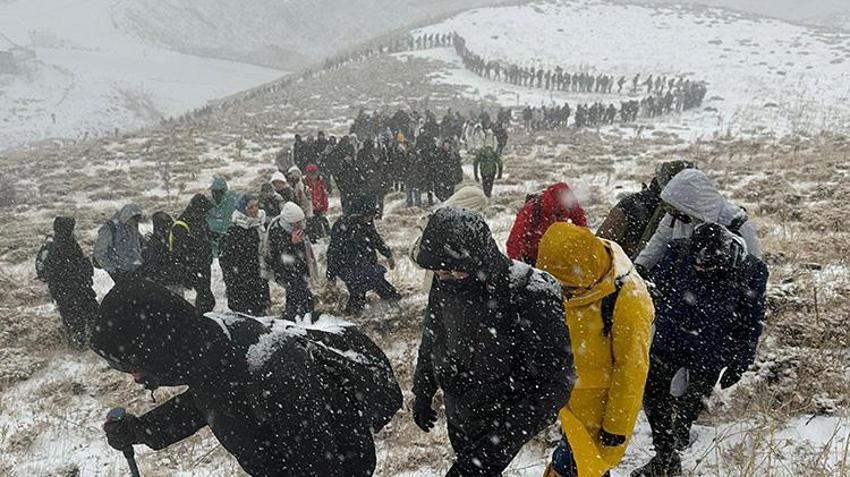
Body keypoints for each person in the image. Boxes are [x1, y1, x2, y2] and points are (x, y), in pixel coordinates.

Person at [93, 280, 402, 477]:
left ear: (162, 349)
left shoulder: (272, 377)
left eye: (136, 364)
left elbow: (322, 466)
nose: (135, 377)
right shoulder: (208, 340)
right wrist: (144, 430)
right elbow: (209, 398)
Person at [410, 207, 575, 477]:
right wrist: (423, 390)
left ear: (478, 258)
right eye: (440, 273)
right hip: (460, 409)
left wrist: (494, 447)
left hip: (504, 419)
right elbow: (432, 335)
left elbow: (556, 382)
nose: (447, 279)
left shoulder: (530, 292)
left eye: (455, 272)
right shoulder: (445, 281)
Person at [632, 223, 768, 477]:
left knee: (692, 403)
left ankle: (680, 439)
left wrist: (740, 361)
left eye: (706, 266)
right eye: (695, 263)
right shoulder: (677, 252)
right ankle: (665, 450)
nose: (699, 268)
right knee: (651, 391)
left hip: (712, 349)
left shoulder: (751, 272)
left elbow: (752, 321)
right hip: (669, 339)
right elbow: (656, 288)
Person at [535, 223, 655, 477]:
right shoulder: (577, 268)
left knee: (574, 467)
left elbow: (631, 370)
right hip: (567, 403)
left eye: (567, 288)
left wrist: (616, 427)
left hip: (597, 415)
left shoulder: (629, 298)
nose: (562, 295)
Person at [635, 169, 761, 275]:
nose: (671, 213)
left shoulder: (737, 223)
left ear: (691, 205)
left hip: (722, 292)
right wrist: (640, 267)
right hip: (684, 286)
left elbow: (754, 269)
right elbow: (659, 242)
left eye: (675, 209)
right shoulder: (677, 216)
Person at [597, 161, 694, 260]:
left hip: (633, 268)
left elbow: (602, 244)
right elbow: (603, 243)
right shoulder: (690, 209)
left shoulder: (632, 203)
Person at [326, 195, 400, 314]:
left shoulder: (367, 222)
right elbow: (333, 252)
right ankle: (351, 318)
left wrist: (388, 254)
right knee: (359, 293)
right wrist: (331, 275)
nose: (370, 219)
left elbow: (376, 239)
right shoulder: (343, 226)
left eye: (371, 216)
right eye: (368, 216)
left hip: (366, 265)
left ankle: (392, 308)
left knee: (382, 288)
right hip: (349, 267)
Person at [43, 216, 98, 347]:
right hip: (71, 290)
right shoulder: (62, 246)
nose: (74, 230)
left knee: (80, 316)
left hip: (73, 289)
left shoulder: (65, 243)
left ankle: (84, 342)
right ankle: (82, 345)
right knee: (79, 318)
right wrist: (84, 270)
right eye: (71, 227)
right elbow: (66, 269)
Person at [506, 183, 587, 266]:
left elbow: (579, 218)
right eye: (559, 212)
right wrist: (519, 267)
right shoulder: (531, 210)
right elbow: (514, 242)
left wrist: (581, 240)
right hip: (533, 256)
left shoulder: (568, 202)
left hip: (557, 253)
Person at [219, 195, 271, 316]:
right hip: (242, 281)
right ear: (243, 209)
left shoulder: (260, 226)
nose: (255, 210)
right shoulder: (234, 231)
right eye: (250, 207)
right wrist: (233, 280)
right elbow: (228, 260)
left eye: (256, 206)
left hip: (259, 277)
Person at [268, 202, 317, 319]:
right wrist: (292, 244)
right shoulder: (277, 232)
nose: (300, 225)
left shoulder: (298, 229)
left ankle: (300, 317)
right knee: (298, 299)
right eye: (297, 223)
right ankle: (296, 319)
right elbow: (280, 257)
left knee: (301, 298)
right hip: (289, 274)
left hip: (299, 272)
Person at [169, 194, 216, 313]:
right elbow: (180, 249)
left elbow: (207, 236)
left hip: (203, 264)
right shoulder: (182, 223)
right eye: (204, 209)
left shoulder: (200, 219)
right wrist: (190, 264)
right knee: (206, 297)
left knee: (205, 295)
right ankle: (201, 318)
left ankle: (203, 317)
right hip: (194, 266)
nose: (206, 212)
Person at [93, 204, 144, 283]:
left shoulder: (132, 226)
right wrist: (112, 269)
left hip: (133, 268)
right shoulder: (110, 228)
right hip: (119, 270)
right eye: (133, 219)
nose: (134, 222)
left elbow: (138, 242)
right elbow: (99, 251)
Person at [139, 211, 183, 294]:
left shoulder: (154, 242)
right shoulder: (174, 238)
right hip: (172, 280)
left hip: (163, 281)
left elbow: (150, 262)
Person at [206, 178, 241, 256]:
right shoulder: (208, 203)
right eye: (213, 191)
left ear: (223, 192)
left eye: (216, 192)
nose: (214, 194)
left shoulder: (232, 202)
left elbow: (227, 222)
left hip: (226, 240)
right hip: (211, 239)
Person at [304, 164, 331, 240]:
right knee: (312, 223)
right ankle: (314, 238)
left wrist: (324, 207)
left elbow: (324, 195)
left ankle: (326, 236)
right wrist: (310, 206)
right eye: (310, 173)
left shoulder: (321, 182)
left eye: (314, 173)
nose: (313, 176)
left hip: (320, 207)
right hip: (310, 208)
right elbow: (306, 197)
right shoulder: (305, 183)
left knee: (323, 221)